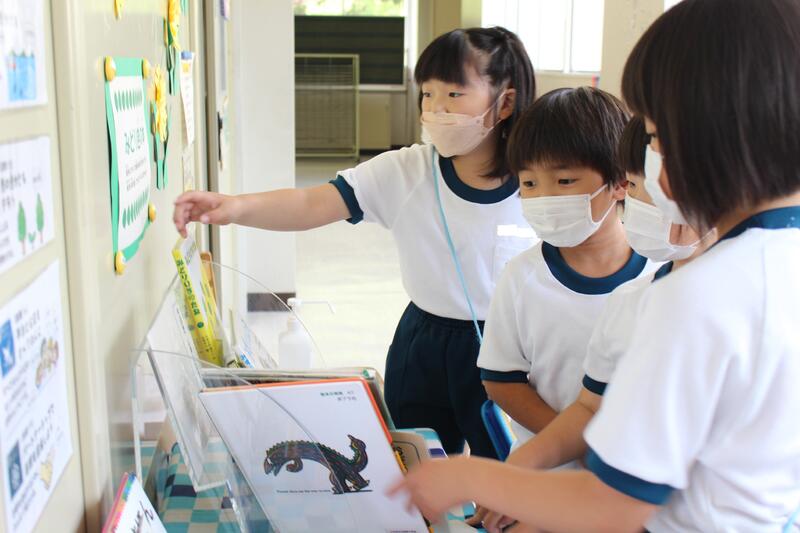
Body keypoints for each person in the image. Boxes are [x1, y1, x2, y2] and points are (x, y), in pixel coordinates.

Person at [390, 1, 800, 531]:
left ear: (707, 132)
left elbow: (613, 504)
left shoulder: (694, 297)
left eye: (655, 136)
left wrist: (472, 478)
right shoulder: (770, 267)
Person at [173, 27, 535, 458]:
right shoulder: (406, 171)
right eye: (428, 94)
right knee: (418, 461)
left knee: (504, 470)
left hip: (503, 349)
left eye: (454, 94)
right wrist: (235, 207)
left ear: (504, 102)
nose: (436, 109)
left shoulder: (538, 184)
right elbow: (311, 203)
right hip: (422, 343)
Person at [471, 116, 716, 531]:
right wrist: (514, 474)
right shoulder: (630, 301)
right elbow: (588, 407)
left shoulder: (741, 304)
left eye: (649, 186)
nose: (637, 201)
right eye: (634, 185)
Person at [477, 88, 655, 458]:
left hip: (636, 470)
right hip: (549, 467)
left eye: (564, 181)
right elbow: (501, 380)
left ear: (619, 182)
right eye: (529, 183)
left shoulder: (658, 274)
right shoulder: (521, 277)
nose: (544, 198)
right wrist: (573, 446)